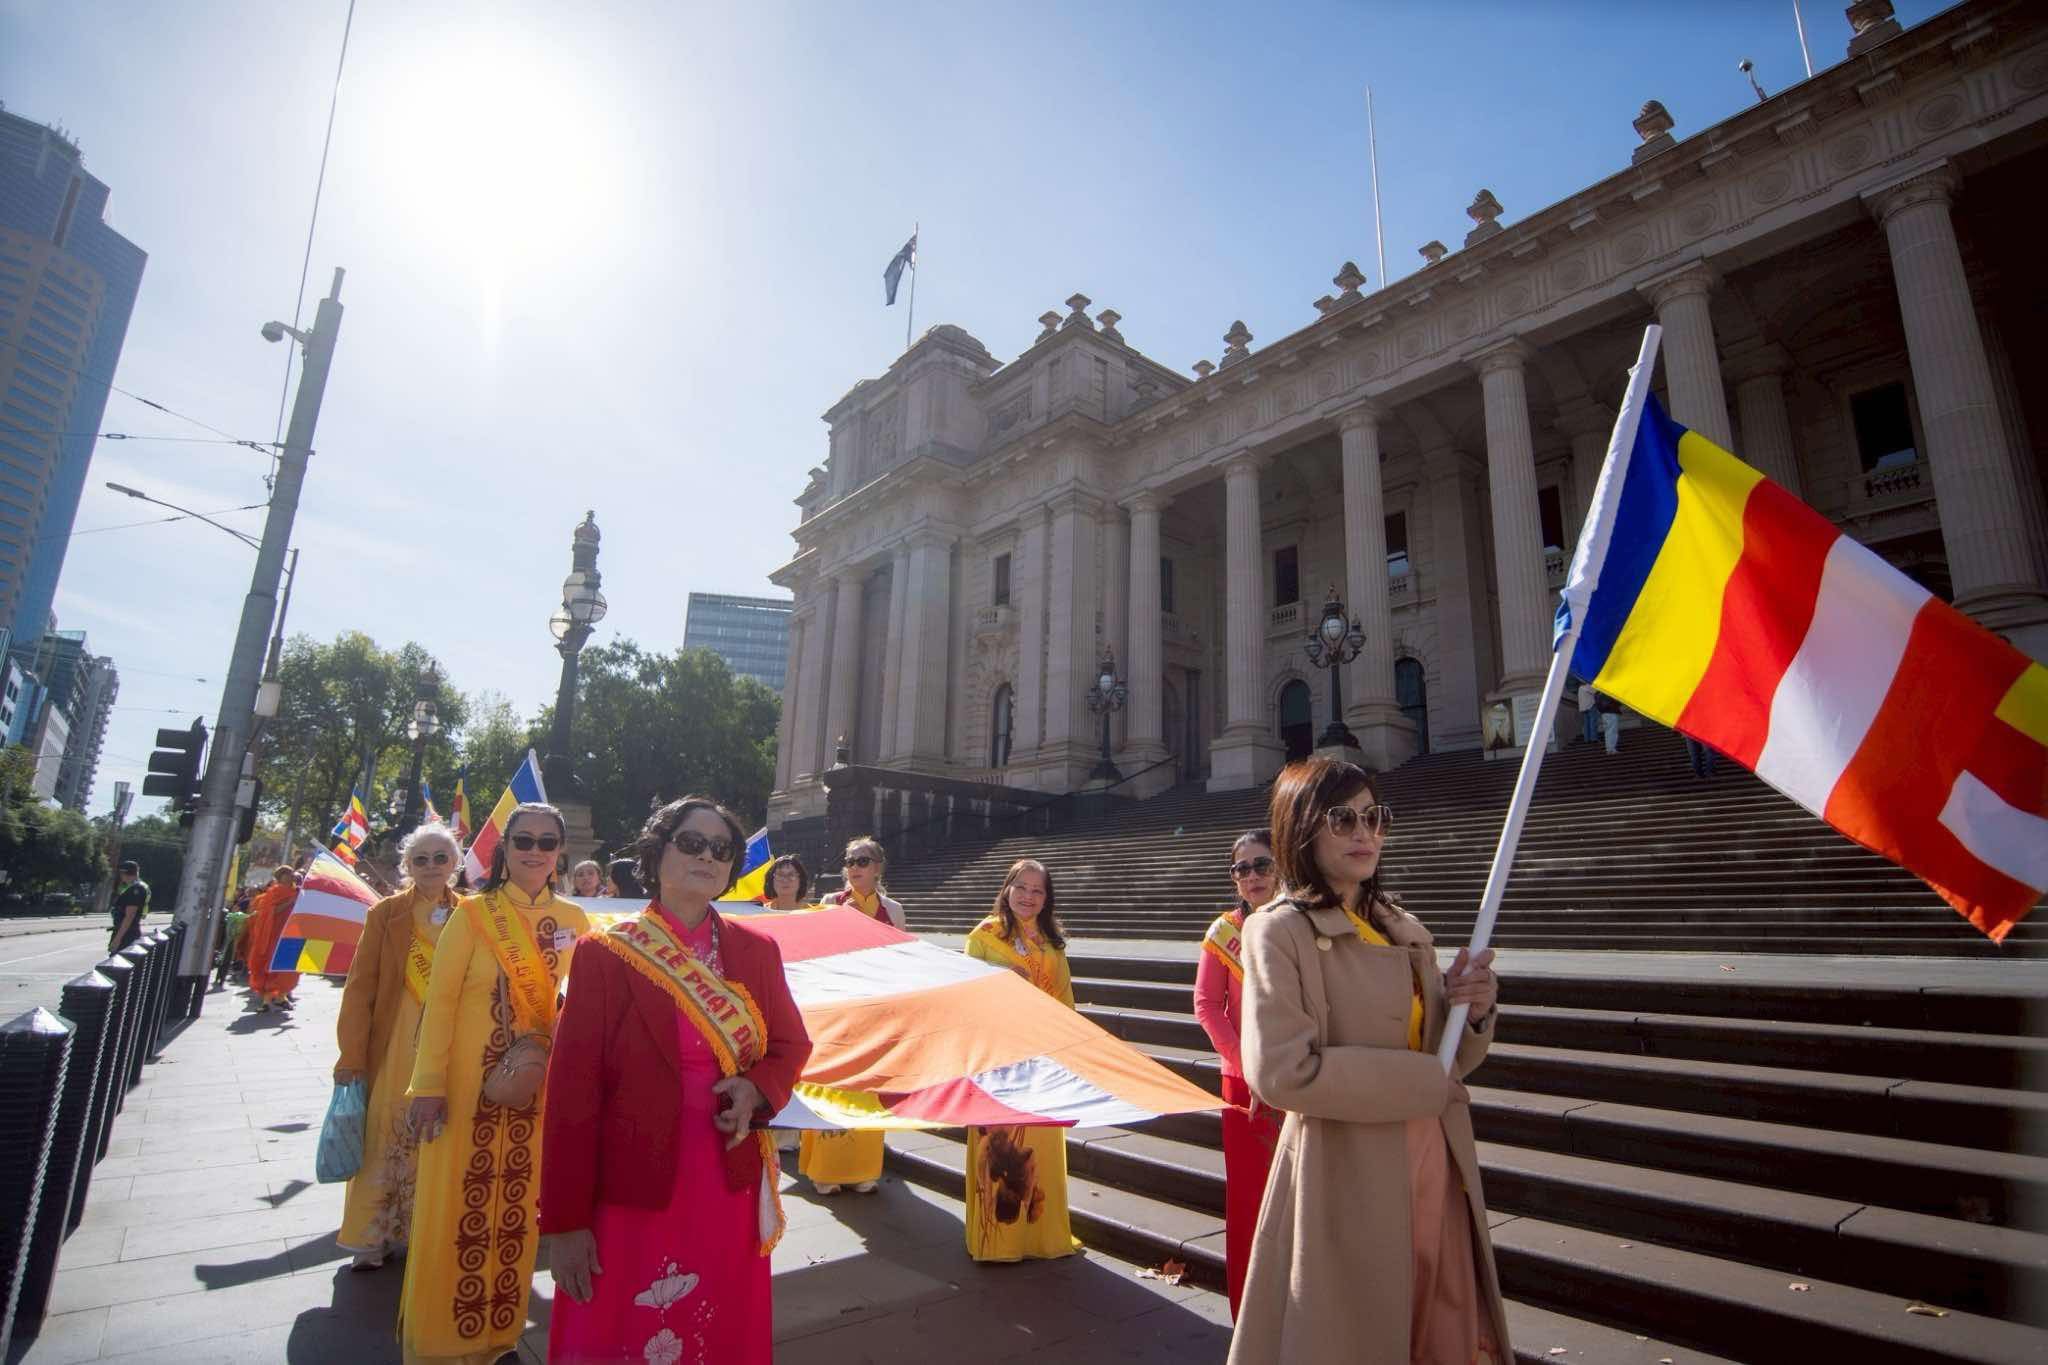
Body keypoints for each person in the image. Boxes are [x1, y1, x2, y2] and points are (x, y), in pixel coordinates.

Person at [1229, 757, 1507, 1365]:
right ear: (1303, 827)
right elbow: (1281, 1071)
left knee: (1440, 1325)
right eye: (1343, 818)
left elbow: (1449, 1058)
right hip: (1346, 1171)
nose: (1365, 833)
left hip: (1434, 1155)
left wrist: (1473, 1010)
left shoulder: (1403, 927)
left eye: (1375, 817)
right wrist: (1425, 1082)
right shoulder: (1279, 931)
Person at [542, 796, 813, 1365]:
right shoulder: (605, 954)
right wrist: (565, 1222)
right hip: (630, 1183)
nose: (708, 857)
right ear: (657, 851)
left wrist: (758, 1087)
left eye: (722, 849)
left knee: (718, 1326)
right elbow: (571, 1094)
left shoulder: (756, 950)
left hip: (726, 1176)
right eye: (691, 843)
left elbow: (791, 1046)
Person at [400, 802, 591, 1365]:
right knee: (459, 1205)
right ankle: (442, 1340)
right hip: (465, 1086)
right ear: (504, 849)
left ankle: (497, 1334)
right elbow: (440, 1005)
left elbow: (584, 1008)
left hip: (539, 1092)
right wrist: (428, 1084)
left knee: (518, 1206)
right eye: (524, 840)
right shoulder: (473, 915)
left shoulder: (578, 922)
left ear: (560, 851)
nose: (536, 851)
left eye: (547, 842)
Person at [333, 822, 462, 1270]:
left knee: (436, 1137)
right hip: (393, 1039)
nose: (431, 867)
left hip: (447, 1045)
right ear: (407, 865)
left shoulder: (472, 913)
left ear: (455, 864)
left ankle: (419, 1231)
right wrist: (350, 1054)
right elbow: (359, 988)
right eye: (421, 859)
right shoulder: (385, 914)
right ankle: (371, 1238)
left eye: (440, 858)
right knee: (384, 1133)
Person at [961, 859, 1078, 1263]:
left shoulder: (1052, 942)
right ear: (1007, 889)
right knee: (998, 1153)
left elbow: (1064, 999)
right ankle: (997, 1242)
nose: (1028, 897)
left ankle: (1041, 1237)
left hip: (1042, 1057)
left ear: (1047, 899)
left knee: (1038, 1147)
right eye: (1022, 888)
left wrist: (1068, 1046)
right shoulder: (985, 935)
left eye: (1038, 890)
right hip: (997, 1057)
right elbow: (964, 993)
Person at [1192, 829, 1284, 1319]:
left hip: (1301, 1080)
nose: (1252, 876)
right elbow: (1207, 1006)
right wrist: (1246, 1065)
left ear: (1281, 867)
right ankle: (1251, 1315)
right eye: (1241, 868)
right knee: (1250, 1199)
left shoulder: (1301, 923)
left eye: (1261, 865)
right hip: (1244, 1083)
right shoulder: (1224, 931)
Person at [797, 835, 904, 1195]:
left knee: (869, 1088)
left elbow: (902, 959)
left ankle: (863, 1168)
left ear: (877, 868)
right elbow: (815, 950)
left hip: (876, 1009)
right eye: (850, 861)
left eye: (863, 861)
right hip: (838, 1006)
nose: (854, 867)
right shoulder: (831, 902)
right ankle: (826, 1170)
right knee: (835, 1084)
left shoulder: (894, 909)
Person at [243, 866, 301, 1012]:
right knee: (271, 965)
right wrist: (290, 902)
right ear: (279, 877)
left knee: (288, 967)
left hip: (292, 934)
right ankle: (267, 1001)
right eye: (286, 875)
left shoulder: (298, 891)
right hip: (274, 935)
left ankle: (282, 997)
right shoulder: (274, 892)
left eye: (291, 874)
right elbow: (270, 913)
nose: (289, 877)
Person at [109, 861, 149, 953]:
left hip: (127, 934)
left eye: (121, 873)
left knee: (116, 963)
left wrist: (117, 940)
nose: (120, 876)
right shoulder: (135, 887)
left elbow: (129, 916)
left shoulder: (135, 890)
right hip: (128, 932)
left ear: (125, 873)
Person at [1596, 690, 1622, 755]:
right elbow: (1617, 702)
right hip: (1611, 712)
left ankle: (1609, 749)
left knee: (1608, 731)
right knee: (1613, 731)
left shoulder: (1598, 694)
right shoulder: (1608, 693)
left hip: (1604, 713)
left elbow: (1598, 705)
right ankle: (1612, 749)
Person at [1575, 678, 1599, 745]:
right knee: (1592, 723)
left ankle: (1587, 739)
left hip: (1583, 708)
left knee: (1586, 724)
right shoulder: (1587, 687)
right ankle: (1593, 738)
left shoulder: (1580, 688)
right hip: (1590, 706)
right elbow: (1595, 691)